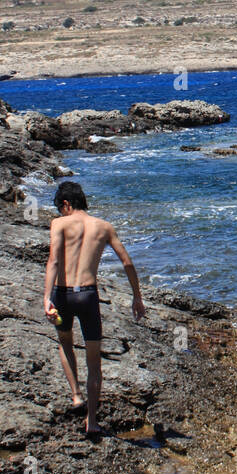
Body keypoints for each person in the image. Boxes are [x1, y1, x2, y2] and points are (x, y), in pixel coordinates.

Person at [43, 181, 145, 437]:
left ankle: (76, 395)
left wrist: (47, 298)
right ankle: (92, 421)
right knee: (94, 361)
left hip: (63, 294)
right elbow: (127, 262)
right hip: (88, 296)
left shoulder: (59, 224)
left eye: (59, 208)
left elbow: (53, 260)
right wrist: (137, 298)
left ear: (66, 204)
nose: (59, 213)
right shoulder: (104, 227)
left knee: (65, 343)